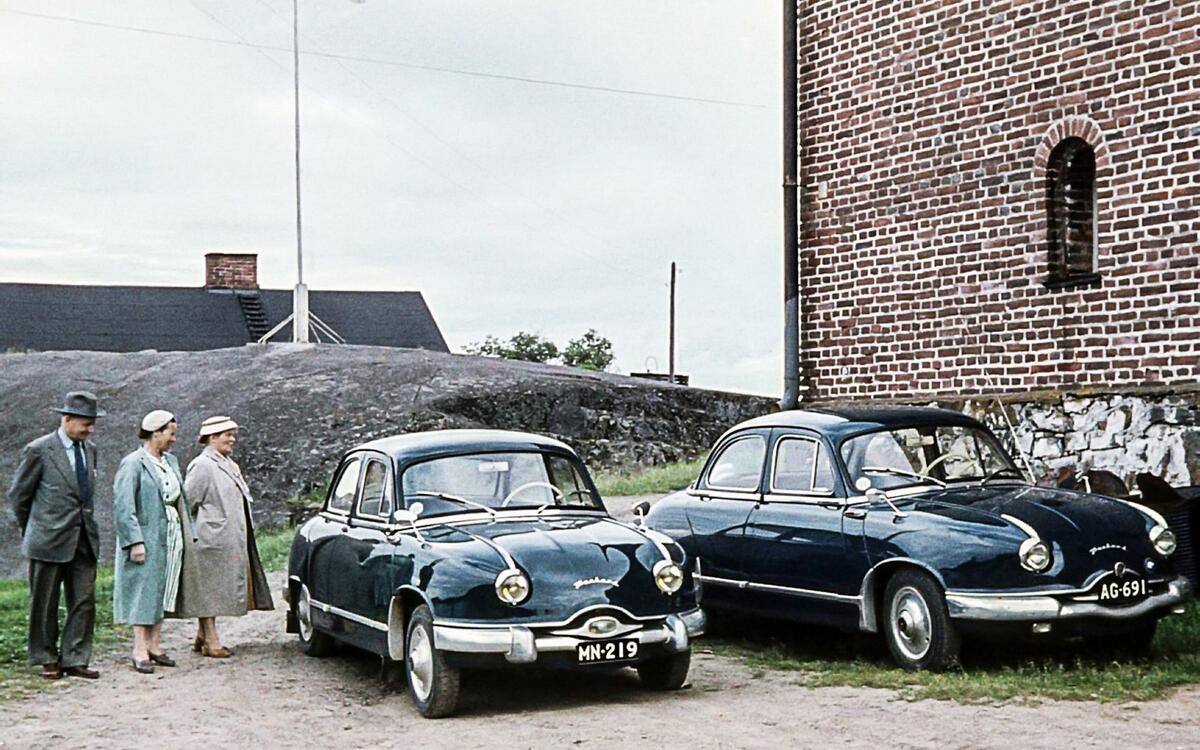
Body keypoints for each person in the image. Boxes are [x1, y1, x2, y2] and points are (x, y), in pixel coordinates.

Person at [6, 391, 105, 680]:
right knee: (44, 601)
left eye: (93, 423)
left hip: (83, 539)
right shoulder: (38, 450)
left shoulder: (90, 450)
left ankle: (75, 657)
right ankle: (47, 657)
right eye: (86, 423)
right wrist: (36, 529)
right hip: (47, 540)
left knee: (83, 600)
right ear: (66, 419)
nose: (91, 429)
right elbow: (19, 497)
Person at [177, 416, 273, 657]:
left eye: (232, 434)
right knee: (210, 588)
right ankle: (211, 640)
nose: (233, 439)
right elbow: (188, 502)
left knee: (217, 587)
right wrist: (201, 531)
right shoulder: (203, 465)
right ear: (212, 438)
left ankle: (202, 635)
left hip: (226, 538)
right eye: (227, 434)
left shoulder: (228, 463)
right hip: (210, 539)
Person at [111, 410, 194, 674]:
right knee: (143, 589)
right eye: (171, 433)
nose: (173, 439)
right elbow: (124, 506)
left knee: (164, 588)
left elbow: (180, 498)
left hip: (171, 532)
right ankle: (139, 648)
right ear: (155, 432)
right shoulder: (133, 463)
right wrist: (134, 541)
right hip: (147, 535)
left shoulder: (170, 460)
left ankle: (156, 645)